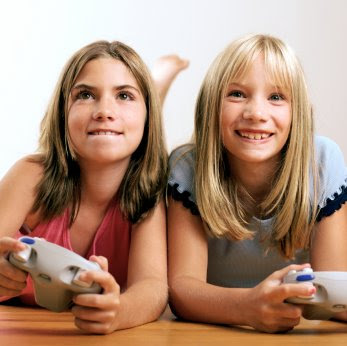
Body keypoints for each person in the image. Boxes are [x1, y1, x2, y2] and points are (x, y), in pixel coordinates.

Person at [0, 40, 187, 334]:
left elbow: (152, 288)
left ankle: (159, 80)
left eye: (124, 95)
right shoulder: (31, 175)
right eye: (86, 95)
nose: (104, 111)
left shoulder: (146, 197)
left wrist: (119, 312)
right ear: (63, 113)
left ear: (148, 114)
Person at [167, 34, 347, 333]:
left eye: (276, 97)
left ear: (297, 113)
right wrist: (246, 307)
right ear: (211, 106)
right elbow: (182, 290)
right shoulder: (187, 167)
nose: (256, 114)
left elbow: (333, 292)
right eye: (237, 94)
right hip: (214, 334)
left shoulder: (323, 161)